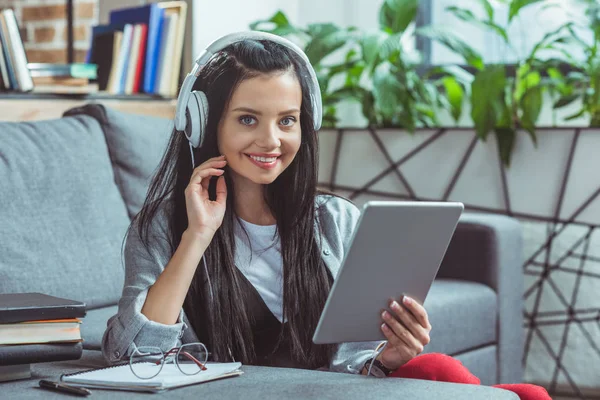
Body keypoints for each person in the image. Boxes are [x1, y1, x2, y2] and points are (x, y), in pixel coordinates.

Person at [101, 32, 550, 399]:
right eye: (247, 120)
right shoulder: (162, 228)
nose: (271, 141)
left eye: (287, 120)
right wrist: (197, 236)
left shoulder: (334, 222)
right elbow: (133, 359)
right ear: (204, 122)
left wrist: (390, 356)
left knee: (490, 384)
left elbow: (354, 366)